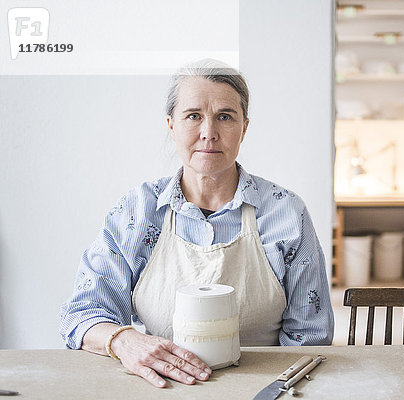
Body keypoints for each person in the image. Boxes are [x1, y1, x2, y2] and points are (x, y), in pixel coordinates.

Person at [59, 59, 334, 388]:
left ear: (244, 127)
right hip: (160, 387)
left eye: (225, 116)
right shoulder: (138, 211)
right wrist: (124, 341)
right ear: (171, 125)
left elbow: (311, 336)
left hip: (265, 388)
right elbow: (83, 313)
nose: (209, 133)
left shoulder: (285, 212)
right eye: (193, 116)